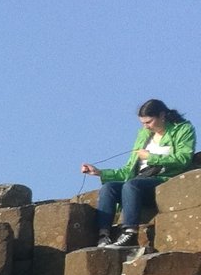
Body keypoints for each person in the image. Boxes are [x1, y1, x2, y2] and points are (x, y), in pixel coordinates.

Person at [83, 99, 196, 248]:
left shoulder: (183, 129)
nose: (146, 127)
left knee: (132, 185)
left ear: (162, 115)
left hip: (163, 180)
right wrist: (100, 172)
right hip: (140, 179)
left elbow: (184, 159)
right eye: (143, 123)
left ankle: (129, 232)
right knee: (109, 188)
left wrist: (151, 157)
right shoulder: (144, 135)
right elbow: (128, 170)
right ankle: (103, 235)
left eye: (149, 122)